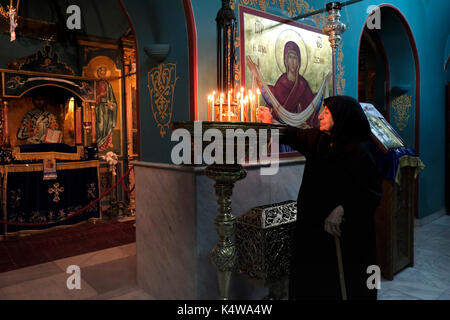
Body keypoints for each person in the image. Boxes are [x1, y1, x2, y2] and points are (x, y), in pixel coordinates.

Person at [281, 95, 382, 300]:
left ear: (341, 117)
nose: (319, 117)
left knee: (343, 286)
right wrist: (270, 123)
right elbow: (294, 134)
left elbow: (371, 193)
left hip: (346, 237)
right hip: (313, 231)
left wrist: (343, 208)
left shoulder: (359, 149)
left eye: (325, 113)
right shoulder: (319, 139)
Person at [246, 41, 330, 128]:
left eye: (295, 58)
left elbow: (311, 104)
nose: (293, 61)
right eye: (290, 57)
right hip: (279, 125)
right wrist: (257, 76)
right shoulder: (282, 81)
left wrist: (322, 88)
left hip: (297, 128)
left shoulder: (302, 83)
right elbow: (271, 96)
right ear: (286, 60)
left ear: (298, 61)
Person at [95, 66, 117, 151]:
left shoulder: (108, 85)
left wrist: (112, 104)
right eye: (101, 73)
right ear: (99, 74)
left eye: (104, 73)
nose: (102, 75)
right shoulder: (96, 84)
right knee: (100, 125)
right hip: (99, 107)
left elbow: (112, 99)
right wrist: (99, 96)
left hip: (107, 107)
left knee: (107, 124)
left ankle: (107, 142)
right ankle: (99, 142)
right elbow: (94, 95)